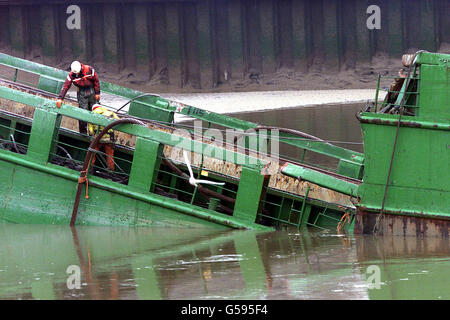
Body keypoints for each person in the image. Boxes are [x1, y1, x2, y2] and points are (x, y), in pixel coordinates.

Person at [56, 61, 101, 134]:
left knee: (96, 111)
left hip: (91, 90)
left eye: (77, 72)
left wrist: (97, 93)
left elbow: (96, 81)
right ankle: (83, 134)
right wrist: (60, 98)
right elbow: (66, 86)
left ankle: (96, 133)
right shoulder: (71, 75)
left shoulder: (89, 69)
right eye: (75, 73)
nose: (76, 74)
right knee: (83, 113)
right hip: (81, 92)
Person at [88, 104, 119, 172]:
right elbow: (118, 121)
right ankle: (111, 170)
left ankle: (90, 167)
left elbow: (90, 131)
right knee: (109, 154)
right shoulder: (111, 113)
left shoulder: (92, 114)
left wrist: (93, 135)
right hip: (109, 138)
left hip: (98, 138)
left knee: (92, 152)